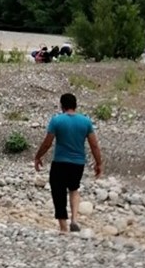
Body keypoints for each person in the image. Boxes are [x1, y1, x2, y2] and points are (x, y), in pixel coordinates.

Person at [33, 93, 103, 234]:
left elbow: (47, 143)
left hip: (60, 162)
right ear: (75, 105)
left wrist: (38, 156)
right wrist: (99, 163)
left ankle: (63, 227)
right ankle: (74, 220)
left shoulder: (57, 121)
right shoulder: (86, 122)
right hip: (78, 163)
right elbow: (94, 145)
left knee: (58, 192)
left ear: (61, 105)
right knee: (74, 189)